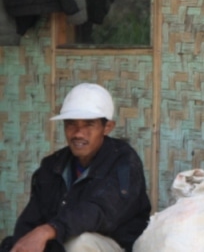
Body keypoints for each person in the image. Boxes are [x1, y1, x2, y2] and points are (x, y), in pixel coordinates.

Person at [1, 84, 151, 252]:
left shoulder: (123, 161)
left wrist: (49, 229)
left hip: (116, 246)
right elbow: (32, 219)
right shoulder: (52, 166)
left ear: (107, 127)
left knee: (79, 243)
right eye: (71, 124)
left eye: (89, 124)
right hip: (62, 240)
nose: (78, 133)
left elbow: (99, 210)